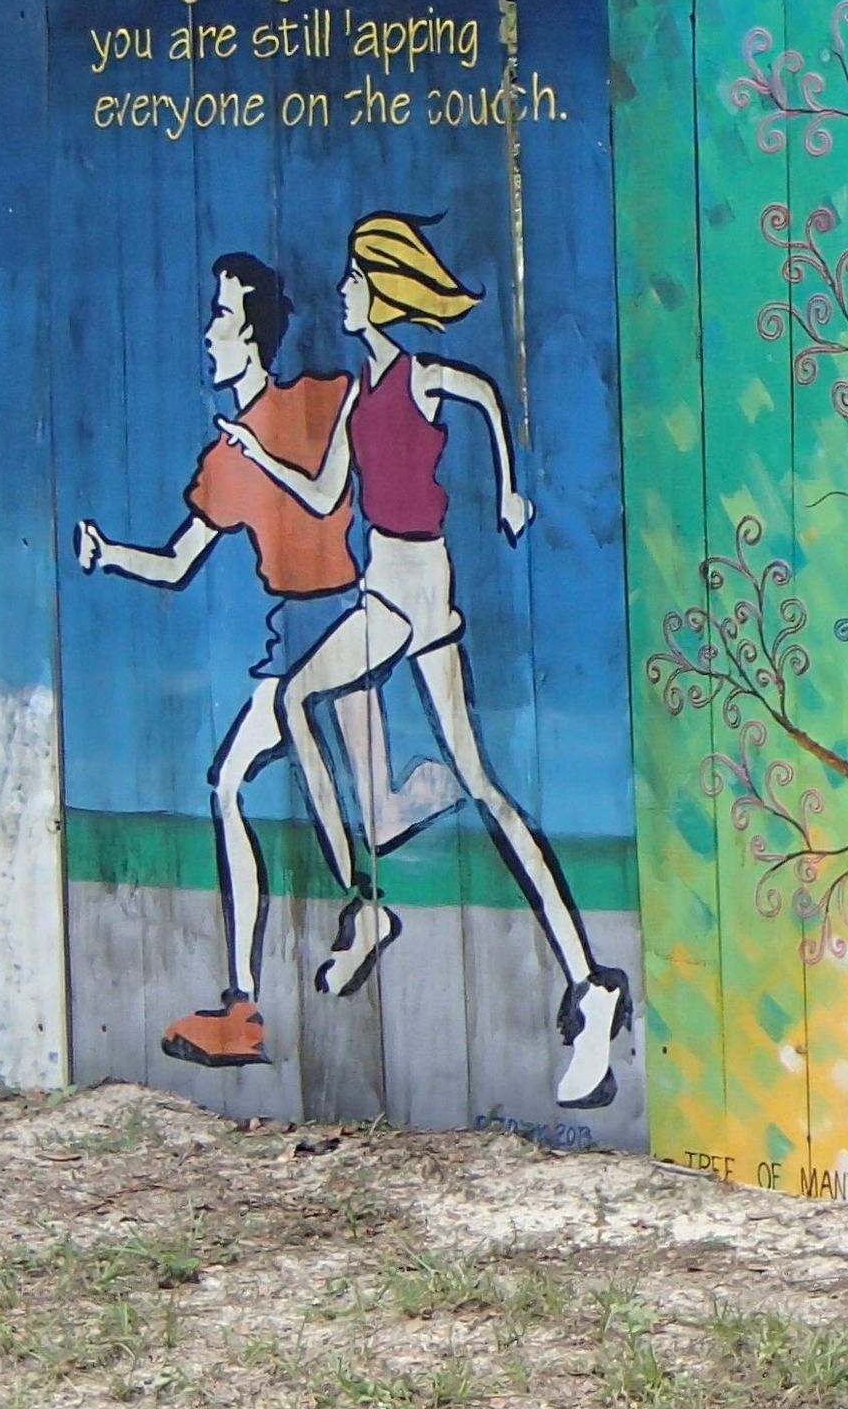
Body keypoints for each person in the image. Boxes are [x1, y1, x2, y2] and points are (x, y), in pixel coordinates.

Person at [219, 213, 632, 1110]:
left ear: (387, 293)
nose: (343, 293)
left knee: (452, 769)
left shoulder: (419, 379)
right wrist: (260, 456)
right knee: (333, 717)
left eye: (357, 282)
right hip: (386, 587)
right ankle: (384, 911)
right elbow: (328, 491)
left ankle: (577, 980)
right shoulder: (359, 402)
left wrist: (513, 487)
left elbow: (486, 395)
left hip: (417, 580)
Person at [75, 252, 456, 1073]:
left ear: (252, 333)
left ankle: (416, 826)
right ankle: (243, 1005)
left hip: (348, 621)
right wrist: (109, 556)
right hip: (290, 644)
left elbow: (352, 439)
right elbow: (179, 564)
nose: (207, 335)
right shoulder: (222, 461)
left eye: (219, 317)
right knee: (230, 785)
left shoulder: (318, 399)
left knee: (377, 813)